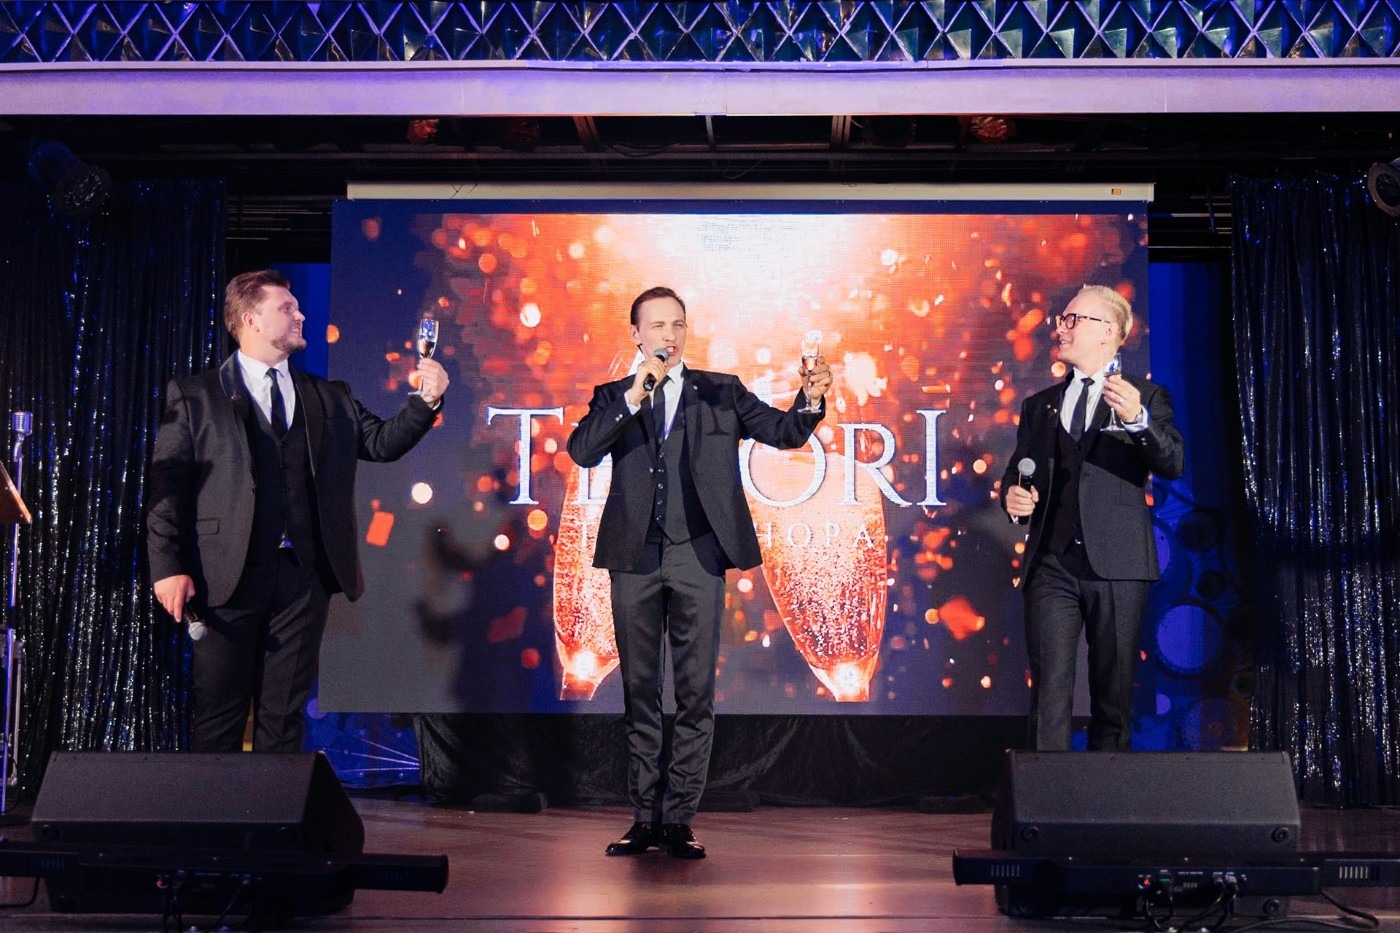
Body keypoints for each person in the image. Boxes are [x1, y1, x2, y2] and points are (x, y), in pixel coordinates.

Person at [567, 286, 832, 859]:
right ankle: (644, 816)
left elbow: (785, 433)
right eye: (657, 326)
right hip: (634, 556)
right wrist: (633, 395)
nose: (669, 335)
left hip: (699, 554)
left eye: (678, 325)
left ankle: (679, 818)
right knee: (641, 691)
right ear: (636, 334)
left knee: (694, 692)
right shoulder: (614, 395)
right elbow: (582, 451)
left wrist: (810, 399)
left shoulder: (720, 391)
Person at [147, 269, 449, 753]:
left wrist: (425, 401)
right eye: (287, 308)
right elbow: (167, 487)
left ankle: (273, 807)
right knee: (219, 714)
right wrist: (167, 567)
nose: (301, 314)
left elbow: (381, 443)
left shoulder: (328, 395)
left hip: (302, 579)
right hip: (224, 576)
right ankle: (212, 805)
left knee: (283, 716)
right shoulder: (195, 395)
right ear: (251, 320)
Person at [1000, 285, 1184, 752]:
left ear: (1109, 332)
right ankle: (1045, 794)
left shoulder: (1144, 396)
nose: (1061, 329)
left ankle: (1108, 792)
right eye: (1061, 320)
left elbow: (1172, 463)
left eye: (1072, 320)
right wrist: (1013, 499)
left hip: (1118, 563)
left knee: (1113, 696)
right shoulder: (1039, 406)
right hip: (1052, 564)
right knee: (1048, 694)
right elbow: (1019, 473)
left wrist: (1138, 419)